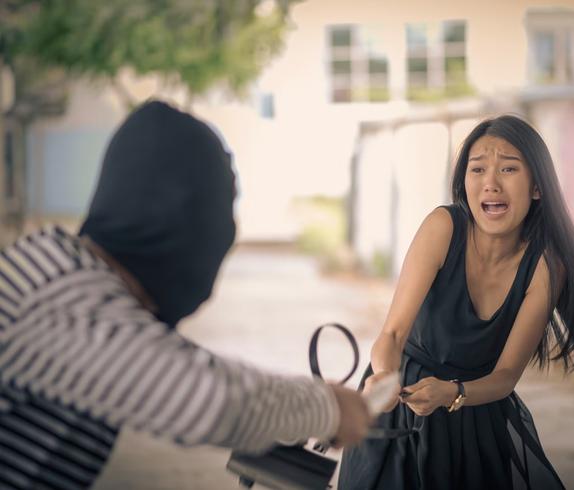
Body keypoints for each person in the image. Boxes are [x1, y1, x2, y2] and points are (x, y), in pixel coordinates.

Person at [0, 100, 374, 489]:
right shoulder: (56, 288)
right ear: (178, 221)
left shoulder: (76, 277)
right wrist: (327, 409)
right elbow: (207, 400)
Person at [338, 115, 574, 489]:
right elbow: (393, 333)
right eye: (478, 169)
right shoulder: (443, 228)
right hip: (399, 408)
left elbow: (504, 377)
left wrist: (453, 392)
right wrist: (384, 380)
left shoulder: (546, 267)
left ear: (537, 187)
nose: (491, 184)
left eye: (509, 169)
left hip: (475, 416)